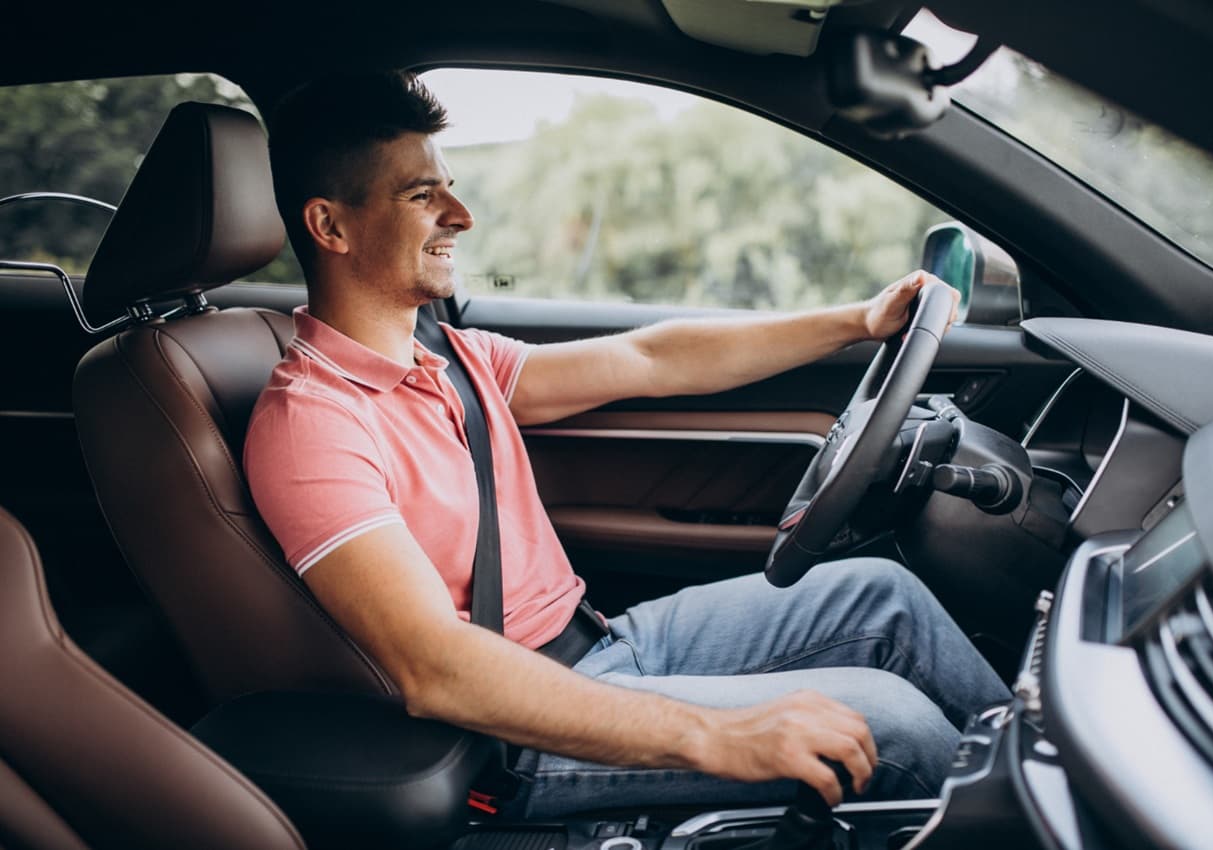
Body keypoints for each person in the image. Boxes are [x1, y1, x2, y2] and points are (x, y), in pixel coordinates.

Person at [244, 71, 1009, 819]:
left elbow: (653, 359)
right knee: (882, 723)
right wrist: (718, 735)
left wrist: (856, 321)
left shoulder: (454, 360)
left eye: (448, 186)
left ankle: (1061, 790)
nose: (461, 214)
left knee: (882, 595)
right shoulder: (312, 424)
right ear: (331, 227)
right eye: (422, 195)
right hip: (512, 731)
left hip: (601, 644)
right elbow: (435, 669)